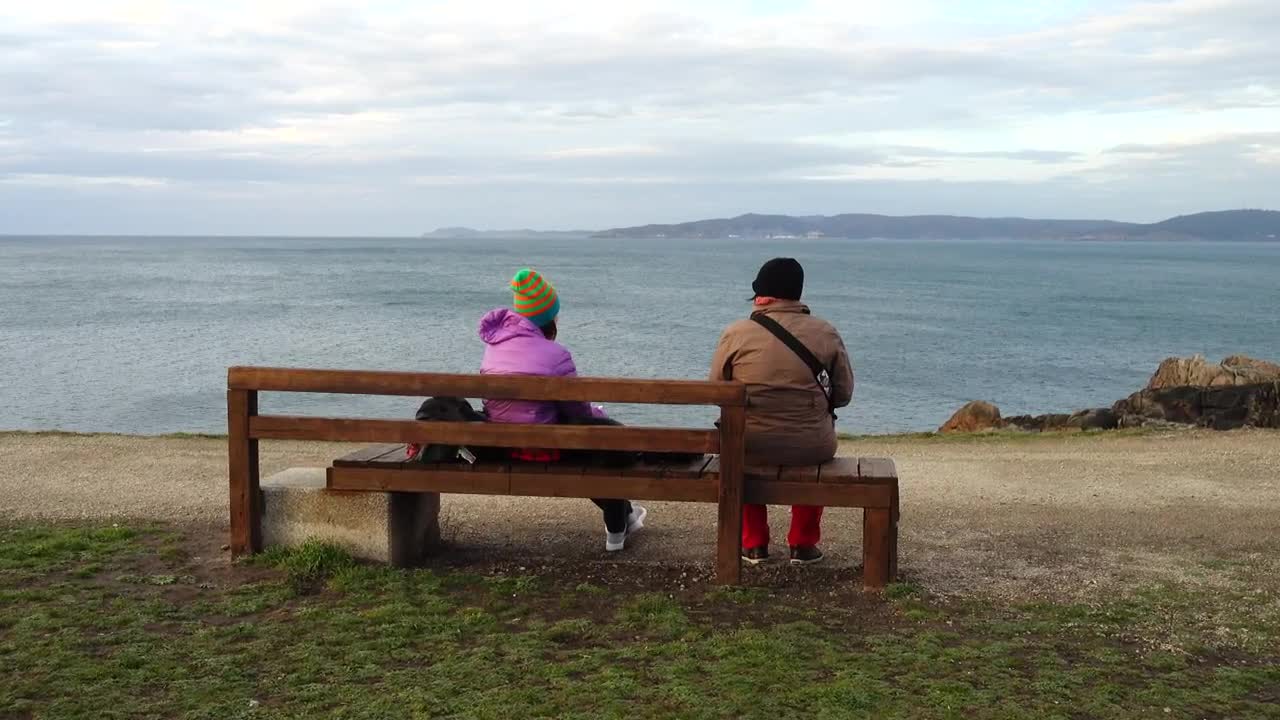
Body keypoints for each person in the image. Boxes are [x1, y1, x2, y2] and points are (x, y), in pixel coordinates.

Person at [478, 268, 647, 552]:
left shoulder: (492, 349)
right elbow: (578, 413)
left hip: (504, 445)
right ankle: (618, 528)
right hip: (547, 448)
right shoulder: (556, 355)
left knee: (591, 441)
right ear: (548, 318)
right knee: (604, 442)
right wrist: (600, 416)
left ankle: (627, 518)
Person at [709, 258, 854, 565]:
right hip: (811, 444)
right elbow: (843, 395)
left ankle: (754, 543)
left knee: (739, 449)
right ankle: (802, 543)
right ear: (797, 294)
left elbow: (717, 390)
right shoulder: (825, 332)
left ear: (761, 296)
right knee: (809, 449)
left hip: (749, 444)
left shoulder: (736, 333)